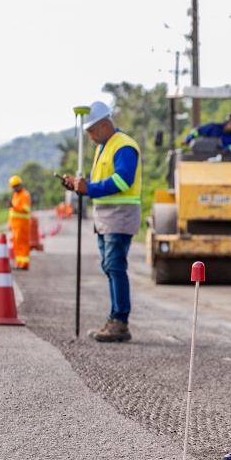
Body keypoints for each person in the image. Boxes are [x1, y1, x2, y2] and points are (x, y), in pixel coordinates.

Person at [62, 101, 141, 343]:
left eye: (91, 132)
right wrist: (78, 185)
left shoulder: (124, 146)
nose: (90, 137)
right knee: (110, 267)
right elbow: (100, 181)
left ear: (104, 125)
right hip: (106, 218)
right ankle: (116, 319)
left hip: (120, 216)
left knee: (115, 267)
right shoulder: (103, 148)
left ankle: (120, 322)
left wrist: (90, 188)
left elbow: (122, 180)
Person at [8, 175, 31, 270]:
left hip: (22, 225)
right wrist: (10, 223)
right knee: (16, 244)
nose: (15, 188)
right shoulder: (16, 195)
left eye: (16, 186)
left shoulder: (25, 195)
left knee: (23, 244)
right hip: (15, 225)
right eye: (13, 187)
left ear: (20, 185)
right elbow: (12, 212)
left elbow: (26, 209)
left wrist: (14, 206)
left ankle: (24, 264)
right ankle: (19, 263)